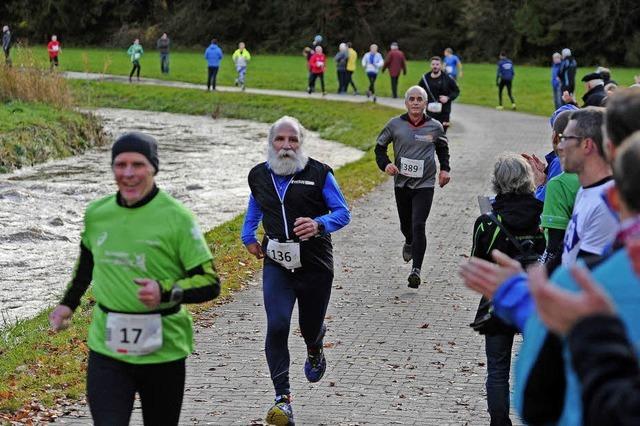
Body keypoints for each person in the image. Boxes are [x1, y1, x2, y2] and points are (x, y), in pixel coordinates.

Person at [48, 132, 221, 425]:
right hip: (108, 347)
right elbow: (86, 266)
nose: (128, 173)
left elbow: (210, 282)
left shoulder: (177, 218)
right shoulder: (97, 213)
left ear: (153, 168)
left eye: (138, 165)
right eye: (120, 164)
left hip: (163, 349)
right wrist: (67, 305)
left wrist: (165, 291)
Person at [241, 116, 351, 426]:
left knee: (308, 327)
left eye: (293, 140)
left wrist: (319, 225)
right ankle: (283, 400)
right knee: (277, 324)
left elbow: (343, 213)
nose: (286, 146)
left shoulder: (319, 174)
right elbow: (255, 206)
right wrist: (248, 237)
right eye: (280, 139)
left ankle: (315, 345)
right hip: (276, 261)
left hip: (315, 264)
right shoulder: (259, 175)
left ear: (301, 143)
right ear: (270, 142)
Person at [469, 154, 545, 426]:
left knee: (498, 368)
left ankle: (499, 422)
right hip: (536, 299)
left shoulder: (488, 221)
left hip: (497, 299)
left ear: (497, 182)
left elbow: (477, 262)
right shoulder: (543, 213)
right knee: (540, 362)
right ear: (527, 180)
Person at [374, 86, 451, 287]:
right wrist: (386, 164)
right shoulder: (394, 125)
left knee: (419, 224)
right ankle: (409, 241)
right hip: (402, 183)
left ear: (425, 103)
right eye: (412, 99)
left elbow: (443, 149)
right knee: (406, 226)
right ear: (406, 103)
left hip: (425, 184)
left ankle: (416, 270)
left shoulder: (435, 127)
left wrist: (445, 169)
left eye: (419, 99)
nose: (415, 102)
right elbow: (379, 148)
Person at [417, 56, 460, 133]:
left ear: (441, 65)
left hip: (444, 112)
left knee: (442, 135)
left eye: (437, 64)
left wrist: (448, 98)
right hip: (430, 112)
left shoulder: (447, 78)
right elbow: (419, 91)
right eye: (433, 64)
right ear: (430, 65)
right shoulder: (425, 78)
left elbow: (456, 91)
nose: (435, 66)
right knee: (431, 135)